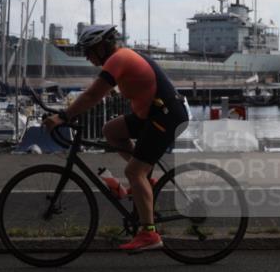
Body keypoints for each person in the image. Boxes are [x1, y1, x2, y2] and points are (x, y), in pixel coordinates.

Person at [43, 24, 188, 252]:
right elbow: (94, 97)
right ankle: (146, 182)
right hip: (153, 115)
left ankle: (149, 233)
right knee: (111, 131)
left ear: (102, 47)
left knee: (133, 172)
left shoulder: (118, 59)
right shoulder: (120, 58)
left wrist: (63, 116)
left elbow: (93, 94)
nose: (86, 57)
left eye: (88, 51)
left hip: (166, 116)